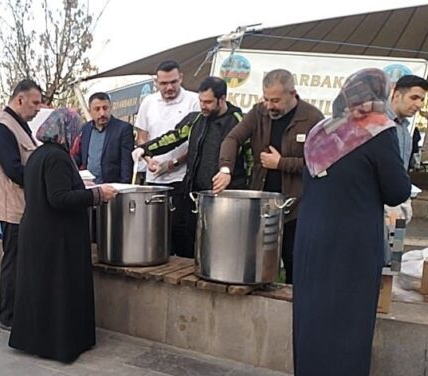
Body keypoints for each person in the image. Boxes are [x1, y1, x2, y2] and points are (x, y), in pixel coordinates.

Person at [293, 68, 411, 376]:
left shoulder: (321, 131)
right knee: (347, 327)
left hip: (312, 239)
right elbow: (396, 191)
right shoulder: (378, 131)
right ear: (378, 94)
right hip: (351, 245)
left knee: (312, 323)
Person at [9, 109, 118, 363]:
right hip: (56, 237)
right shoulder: (57, 157)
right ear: (64, 131)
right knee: (58, 290)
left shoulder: (38, 154)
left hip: (39, 233)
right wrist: (97, 195)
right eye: (76, 131)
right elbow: (58, 198)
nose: (77, 138)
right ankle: (59, 344)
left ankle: (35, 340)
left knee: (41, 290)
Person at [219, 69, 324, 284]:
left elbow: (321, 166)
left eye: (275, 100)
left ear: (292, 93)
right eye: (266, 99)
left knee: (294, 261)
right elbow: (233, 138)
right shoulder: (259, 113)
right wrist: (225, 169)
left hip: (296, 206)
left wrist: (281, 163)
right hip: (262, 203)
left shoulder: (312, 118)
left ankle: (293, 308)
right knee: (257, 263)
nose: (269, 106)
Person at [133, 76, 249, 257]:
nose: (203, 106)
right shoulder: (196, 120)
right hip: (194, 194)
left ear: (222, 99)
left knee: (219, 249)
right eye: (201, 101)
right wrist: (144, 149)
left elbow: (250, 159)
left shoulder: (238, 121)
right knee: (188, 243)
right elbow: (173, 138)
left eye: (208, 102)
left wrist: (245, 189)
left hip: (226, 198)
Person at [0, 80, 43, 331]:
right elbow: (13, 168)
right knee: (14, 260)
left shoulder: (17, 124)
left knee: (20, 260)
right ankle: (7, 316)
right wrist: (43, 179)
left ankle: (17, 311)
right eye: (35, 102)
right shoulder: (3, 126)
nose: (38, 108)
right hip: (13, 205)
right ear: (20, 100)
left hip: (22, 204)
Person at [135, 60, 199, 256]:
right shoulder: (148, 102)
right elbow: (142, 136)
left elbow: (196, 142)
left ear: (181, 78)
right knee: (155, 233)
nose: (169, 87)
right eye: (164, 83)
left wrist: (174, 163)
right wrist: (148, 160)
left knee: (181, 233)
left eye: (173, 82)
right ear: (156, 82)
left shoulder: (193, 101)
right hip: (153, 179)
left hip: (181, 178)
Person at [72, 92, 134, 184]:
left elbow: (126, 163)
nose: (102, 113)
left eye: (105, 108)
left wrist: (123, 188)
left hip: (112, 187)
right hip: (89, 187)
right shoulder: (85, 129)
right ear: (90, 111)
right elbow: (80, 157)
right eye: (97, 109)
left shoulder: (123, 129)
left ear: (110, 107)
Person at [389, 75, 428, 171]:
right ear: (397, 95)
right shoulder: (377, 124)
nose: (419, 104)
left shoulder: (405, 129)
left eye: (422, 100)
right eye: (414, 98)